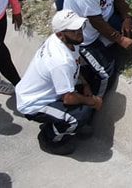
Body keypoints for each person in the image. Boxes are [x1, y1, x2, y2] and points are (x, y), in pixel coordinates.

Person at [16, 10, 100, 156]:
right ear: (61, 34)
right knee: (78, 117)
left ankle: (58, 121)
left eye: (80, 27)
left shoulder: (66, 41)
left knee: (88, 85)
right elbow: (68, 98)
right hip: (34, 103)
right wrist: (92, 101)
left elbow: (75, 65)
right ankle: (49, 138)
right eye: (74, 31)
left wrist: (85, 84)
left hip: (50, 91)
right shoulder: (60, 60)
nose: (79, 32)